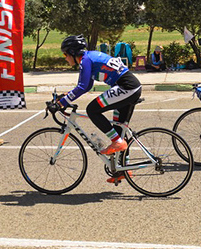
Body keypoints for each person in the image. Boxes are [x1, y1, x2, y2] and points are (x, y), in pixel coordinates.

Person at [56, 35, 142, 183]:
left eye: (65, 54)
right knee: (118, 129)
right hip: (131, 87)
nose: (65, 58)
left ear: (72, 52)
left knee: (92, 110)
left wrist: (61, 103)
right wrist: (65, 97)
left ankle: (117, 142)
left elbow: (83, 87)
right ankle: (124, 169)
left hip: (126, 87)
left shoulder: (86, 60)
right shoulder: (89, 57)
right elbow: (86, 85)